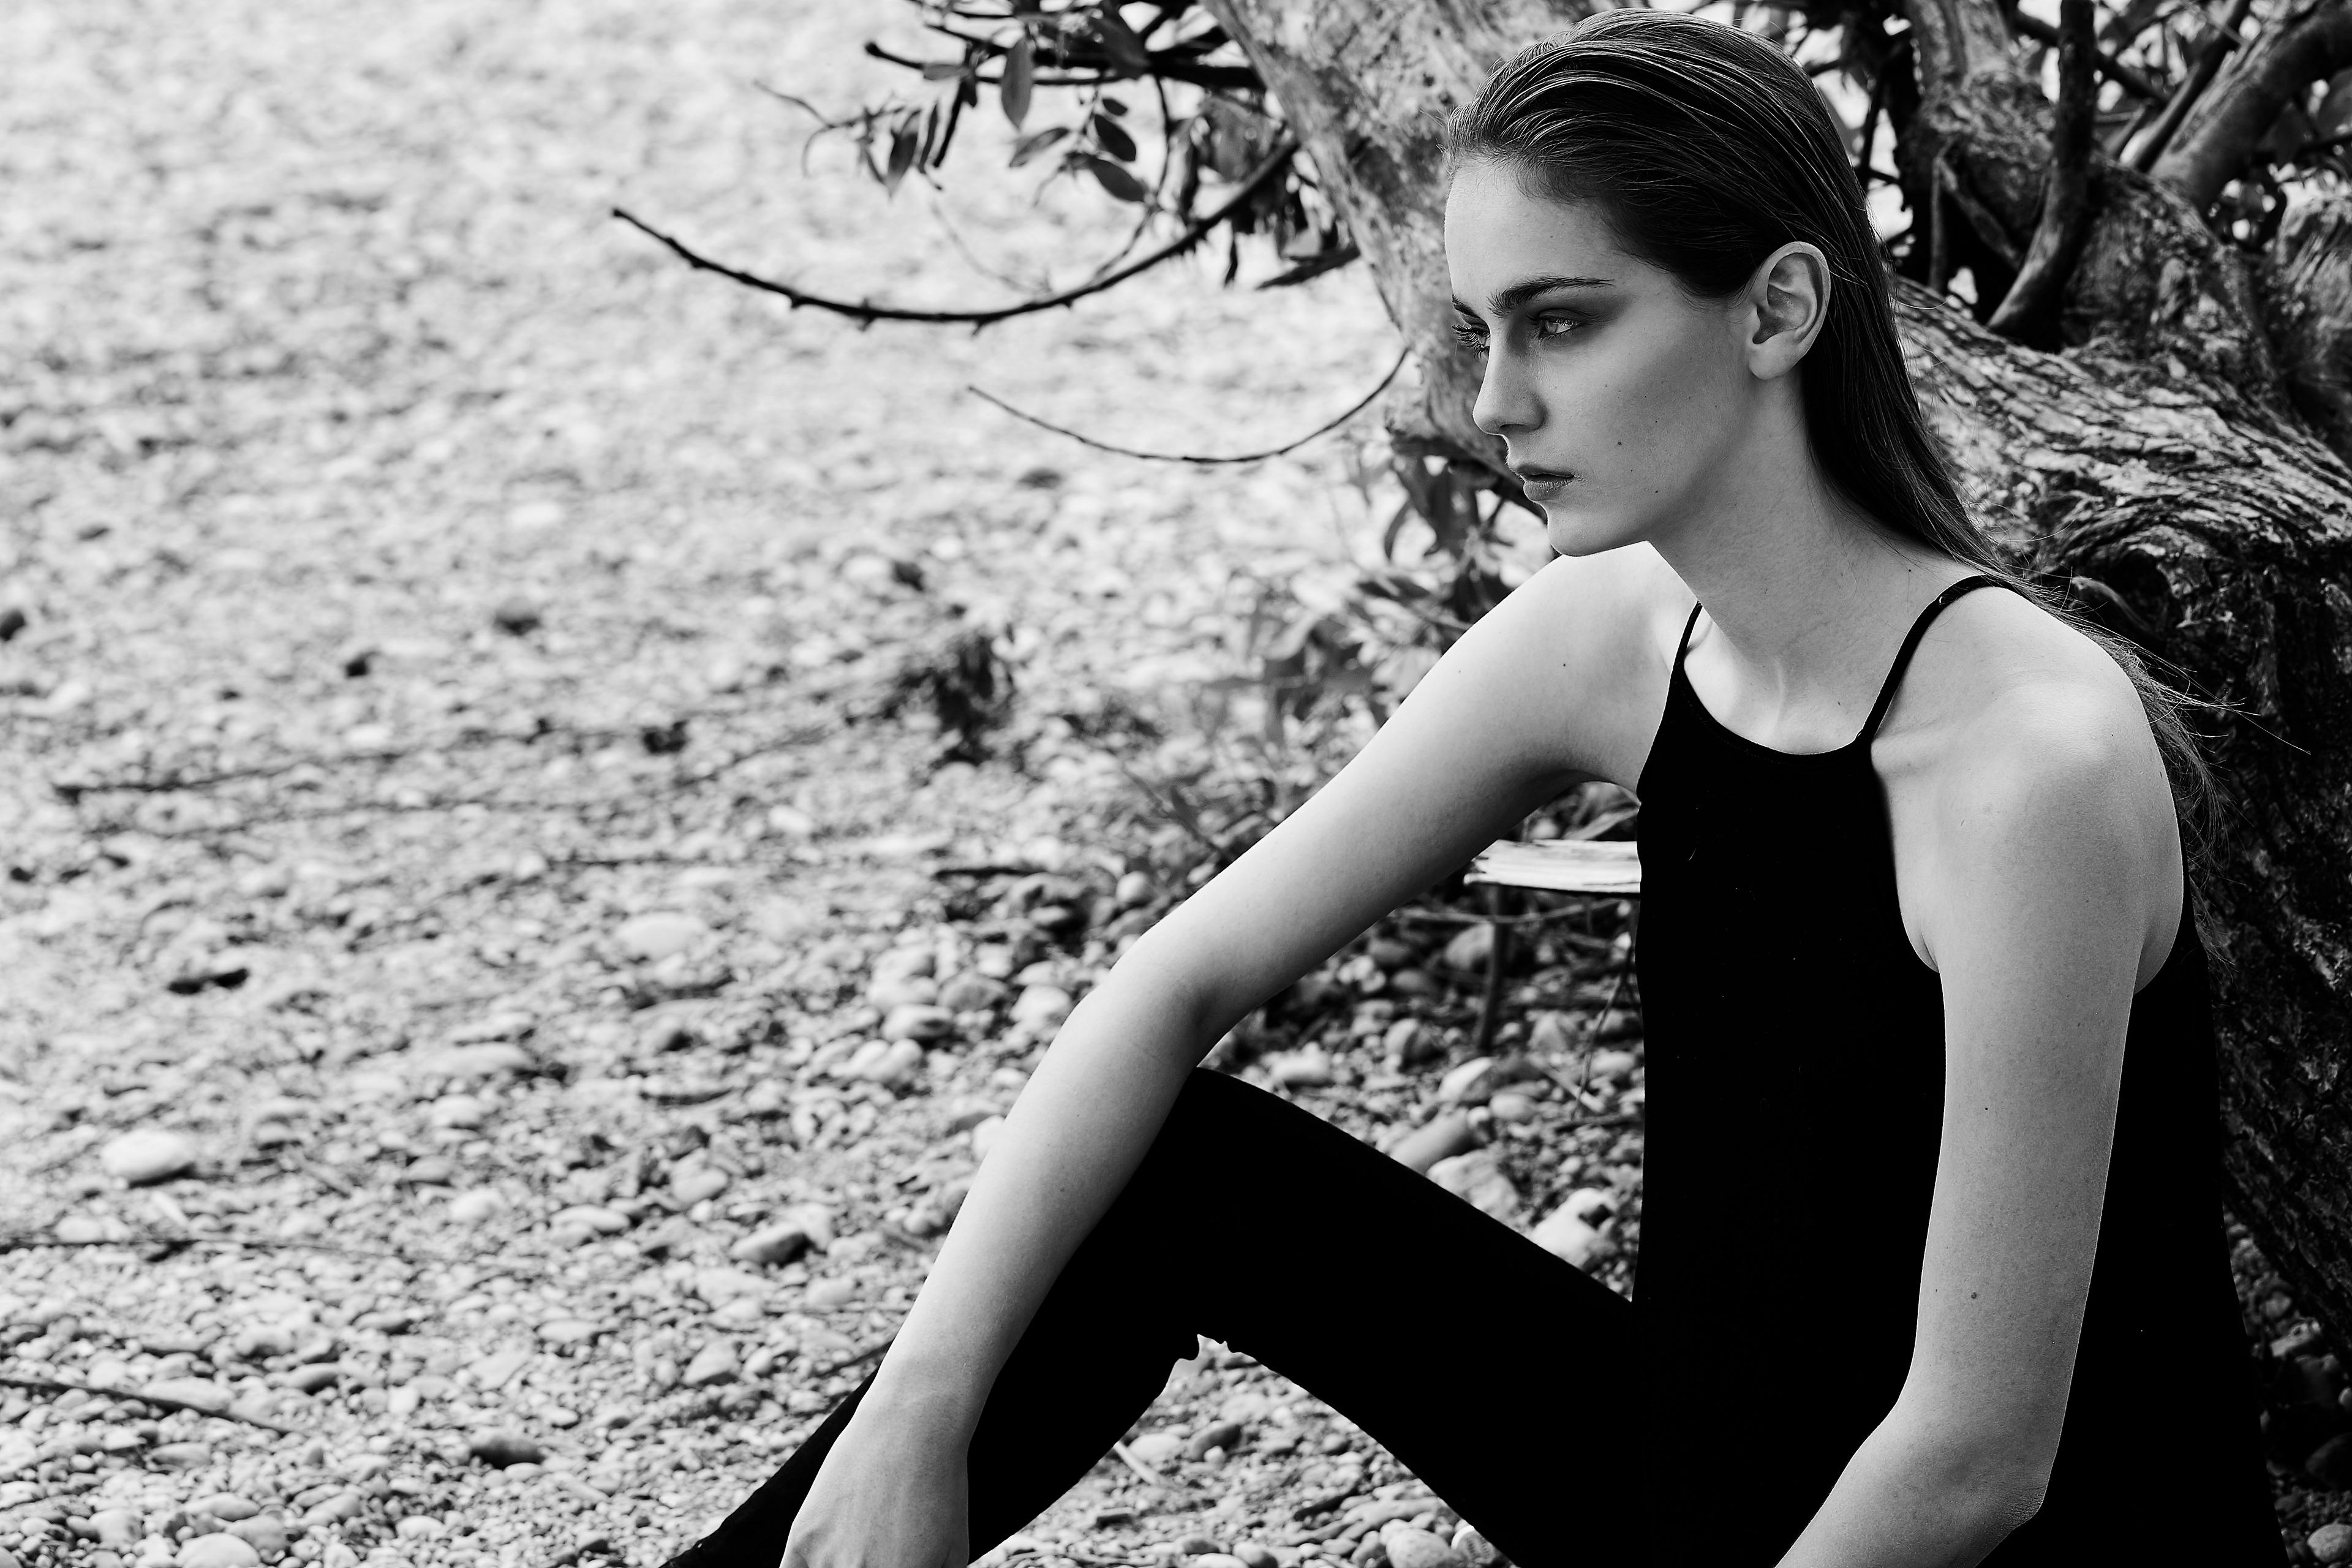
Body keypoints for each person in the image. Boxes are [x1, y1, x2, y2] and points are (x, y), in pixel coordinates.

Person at [669, 11, 2282, 1566]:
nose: (1495, 402)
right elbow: (1173, 985)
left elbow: (1977, 1459)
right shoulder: (1613, 638)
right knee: (1172, 1170)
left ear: (1778, 310)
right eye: (1482, 330)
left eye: (1562, 322)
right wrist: (916, 1417)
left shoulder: (2024, 764)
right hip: (1703, 1489)